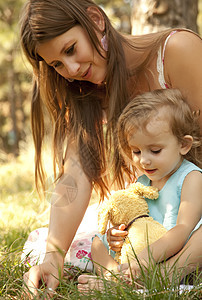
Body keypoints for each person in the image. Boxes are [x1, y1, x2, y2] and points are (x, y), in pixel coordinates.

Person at [20, 0, 202, 296]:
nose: (71, 70)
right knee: (63, 245)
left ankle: (159, 276)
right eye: (57, 64)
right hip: (158, 216)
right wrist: (53, 255)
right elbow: (74, 178)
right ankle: (133, 273)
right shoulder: (87, 92)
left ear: (95, 19)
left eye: (70, 50)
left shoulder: (177, 50)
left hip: (194, 205)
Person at [78, 89, 202, 291]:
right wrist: (116, 237)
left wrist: (147, 257)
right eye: (136, 151)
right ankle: (116, 279)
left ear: (183, 144)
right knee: (97, 243)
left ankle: (165, 275)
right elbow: (134, 220)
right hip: (140, 255)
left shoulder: (191, 177)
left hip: (178, 256)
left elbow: (183, 230)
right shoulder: (143, 181)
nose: (143, 160)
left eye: (155, 150)